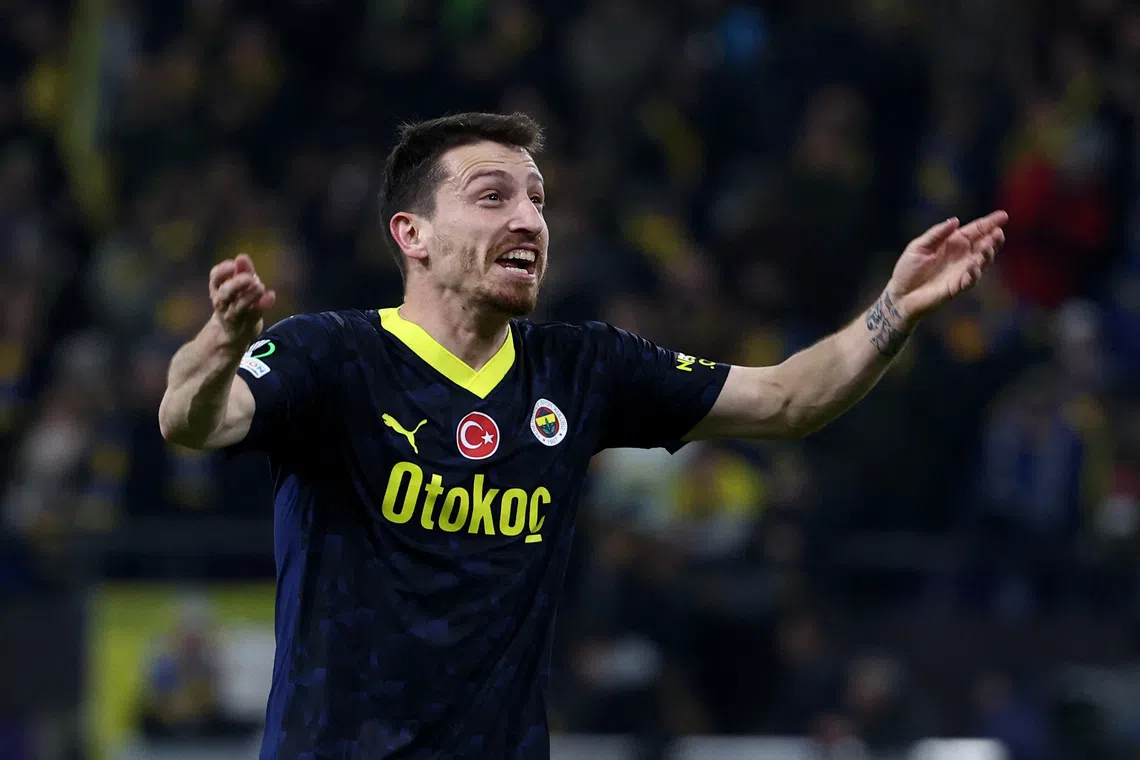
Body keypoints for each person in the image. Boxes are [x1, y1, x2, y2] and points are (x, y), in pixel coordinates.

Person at [158, 112, 1007, 759]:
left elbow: (788, 400)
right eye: (492, 196)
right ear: (412, 234)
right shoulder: (334, 354)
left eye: (537, 199)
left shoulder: (582, 369)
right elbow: (193, 419)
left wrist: (893, 310)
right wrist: (218, 346)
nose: (529, 219)